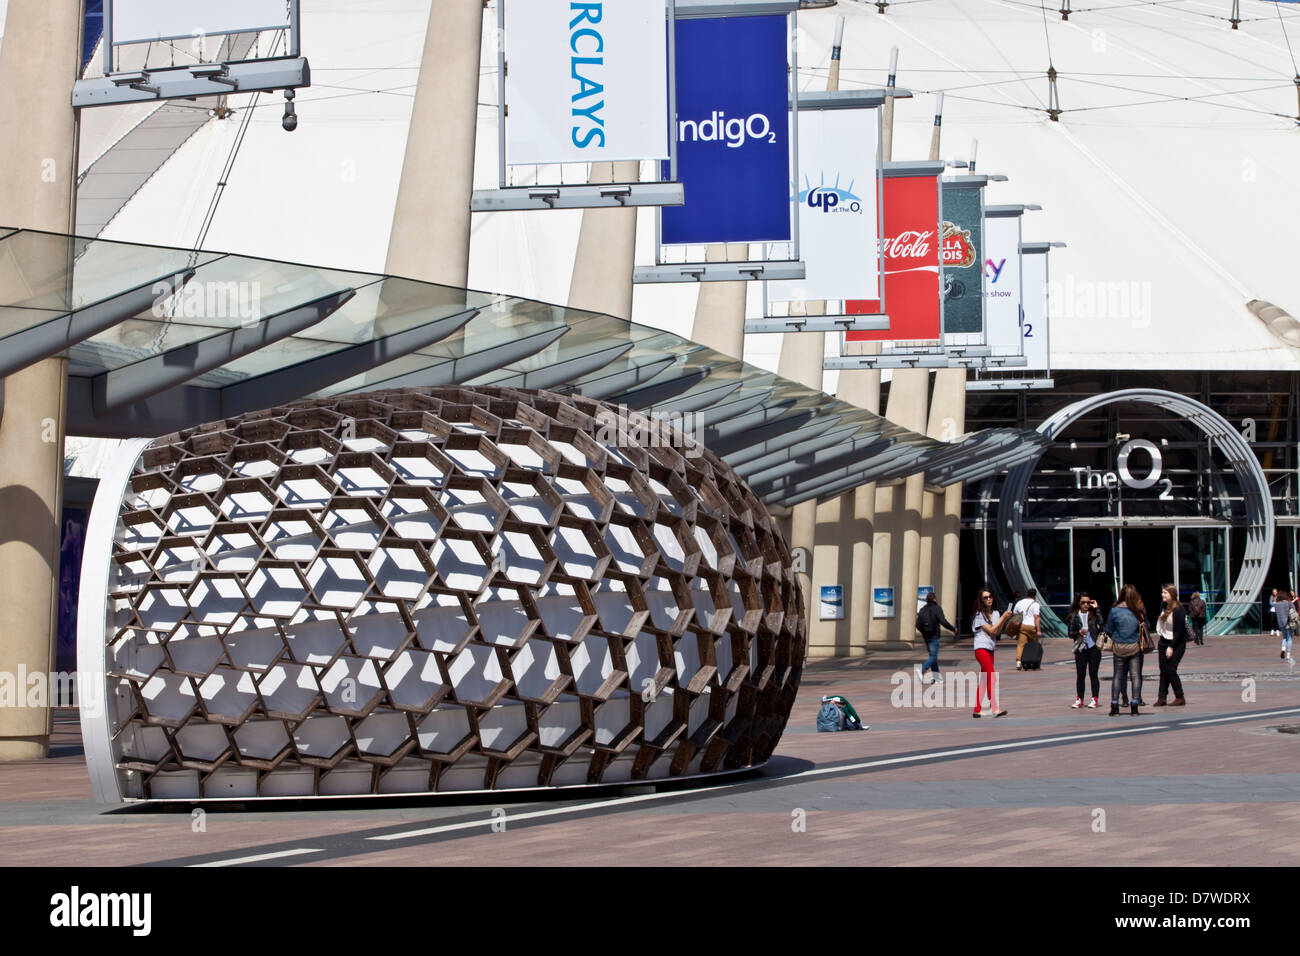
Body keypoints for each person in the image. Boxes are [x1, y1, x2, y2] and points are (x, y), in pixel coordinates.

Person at [1104, 583, 1144, 716]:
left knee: (1117, 676)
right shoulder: (1138, 610)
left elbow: (1108, 630)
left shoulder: (1114, 611)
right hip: (1134, 646)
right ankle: (1134, 705)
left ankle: (1114, 705)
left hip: (1119, 647)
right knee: (1135, 676)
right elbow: (1146, 627)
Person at [971, 588, 1009, 718]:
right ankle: (995, 708)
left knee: (983, 679)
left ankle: (977, 709)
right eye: (985, 598)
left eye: (990, 596)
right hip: (981, 649)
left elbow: (997, 633)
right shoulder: (979, 615)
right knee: (991, 677)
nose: (989, 599)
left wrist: (1003, 618)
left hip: (990, 649)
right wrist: (1004, 617)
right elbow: (992, 630)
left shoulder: (996, 613)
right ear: (981, 601)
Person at [1153, 584, 1188, 706]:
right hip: (1163, 641)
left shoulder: (1179, 609)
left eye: (1165, 593)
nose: (1162, 595)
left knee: (1170, 669)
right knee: (1163, 670)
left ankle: (1180, 697)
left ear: (1172, 595)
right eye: (1162, 592)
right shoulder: (1163, 606)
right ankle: (1162, 698)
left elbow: (1179, 632)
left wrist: (1171, 647)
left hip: (1177, 643)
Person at [1067, 592, 1103, 708]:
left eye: (1088, 602)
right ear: (1079, 603)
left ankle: (1094, 699)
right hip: (1081, 649)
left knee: (1093, 674)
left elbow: (1102, 624)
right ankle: (1079, 699)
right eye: (1083, 603)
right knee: (1080, 675)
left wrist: (1097, 609)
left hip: (1094, 648)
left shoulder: (1093, 615)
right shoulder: (1074, 616)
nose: (1086, 605)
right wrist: (1078, 632)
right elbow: (1070, 633)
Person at [915, 591, 956, 683]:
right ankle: (921, 669)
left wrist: (923, 632)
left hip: (926, 636)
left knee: (932, 656)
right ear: (934, 599)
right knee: (933, 656)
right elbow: (943, 621)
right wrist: (953, 629)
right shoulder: (937, 608)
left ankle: (937, 678)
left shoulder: (922, 609)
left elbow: (917, 625)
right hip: (934, 636)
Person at [1011, 588, 1043, 670]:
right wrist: (1039, 630)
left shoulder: (1020, 602)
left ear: (1027, 594)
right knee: (1033, 645)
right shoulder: (1035, 604)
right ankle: (1031, 661)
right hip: (1032, 627)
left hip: (1023, 626)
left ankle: (1018, 662)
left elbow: (1015, 614)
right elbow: (1036, 618)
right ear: (1035, 596)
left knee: (1021, 645)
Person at [1276, 588, 1296, 661]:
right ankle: (1288, 655)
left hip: (1281, 623)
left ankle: (1283, 649)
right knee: (1289, 638)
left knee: (1284, 637)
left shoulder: (1277, 604)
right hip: (1289, 622)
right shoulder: (1289, 603)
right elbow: (1294, 611)